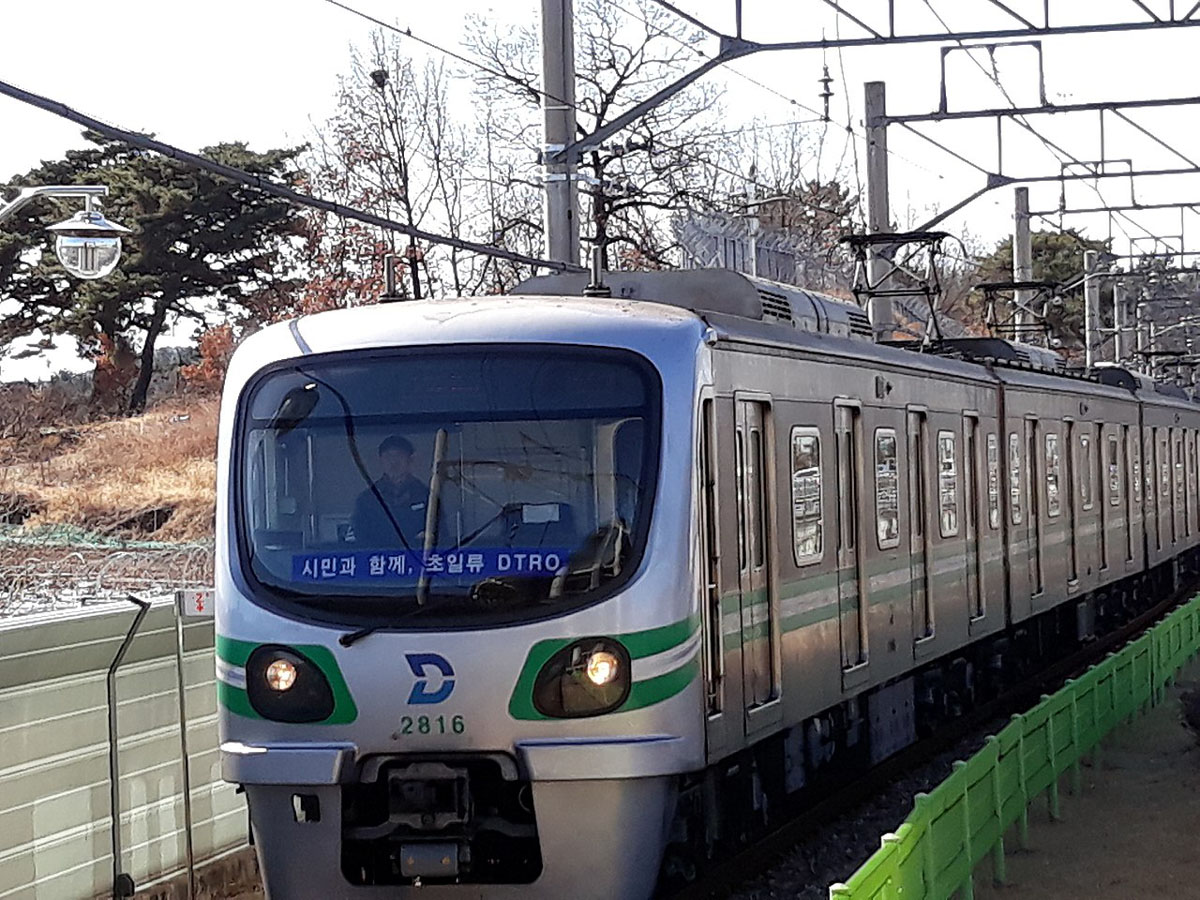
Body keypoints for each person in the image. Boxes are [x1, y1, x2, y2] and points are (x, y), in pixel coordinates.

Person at [350, 435, 431, 548]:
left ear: (410, 460)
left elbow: (440, 535)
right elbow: (360, 538)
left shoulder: (426, 496)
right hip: (378, 560)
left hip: (418, 559)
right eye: (388, 456)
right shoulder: (368, 499)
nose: (393, 461)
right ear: (381, 460)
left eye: (399, 455)